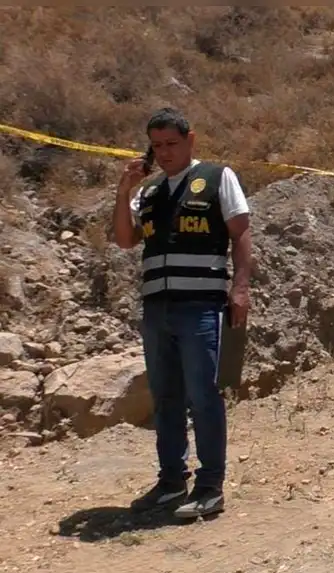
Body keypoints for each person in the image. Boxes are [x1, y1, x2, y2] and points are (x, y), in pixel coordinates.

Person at [111, 107, 253, 520]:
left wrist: (240, 287)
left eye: (172, 143)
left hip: (201, 307)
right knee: (166, 396)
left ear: (190, 141)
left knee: (204, 395)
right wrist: (124, 192)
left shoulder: (216, 177)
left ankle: (210, 486)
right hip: (157, 310)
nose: (165, 152)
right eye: (157, 146)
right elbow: (124, 239)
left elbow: (241, 232)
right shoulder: (150, 192)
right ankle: (172, 481)